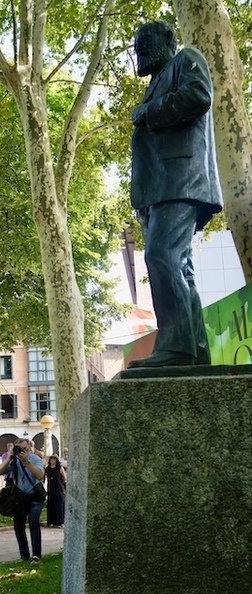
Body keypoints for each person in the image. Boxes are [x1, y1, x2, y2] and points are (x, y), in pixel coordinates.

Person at [128, 20, 223, 369]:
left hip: (181, 180)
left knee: (161, 254)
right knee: (179, 264)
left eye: (144, 41)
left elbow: (199, 96)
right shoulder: (156, 81)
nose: (138, 48)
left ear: (168, 38)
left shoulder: (185, 60)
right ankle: (194, 351)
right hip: (162, 188)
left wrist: (147, 112)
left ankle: (177, 347)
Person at [0, 437, 45, 563]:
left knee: (34, 521)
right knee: (18, 526)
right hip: (20, 497)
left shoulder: (35, 459)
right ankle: (24, 555)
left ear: (29, 448)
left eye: (24, 449)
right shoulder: (14, 461)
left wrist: (26, 461)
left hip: (35, 495)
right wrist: (9, 458)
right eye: (19, 449)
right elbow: (0, 471)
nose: (21, 452)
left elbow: (40, 475)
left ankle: (36, 555)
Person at [44, 454, 66, 527]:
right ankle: (51, 521)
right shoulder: (47, 468)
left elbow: (64, 477)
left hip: (58, 488)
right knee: (51, 504)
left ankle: (60, 521)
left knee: (59, 504)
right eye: (51, 458)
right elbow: (45, 477)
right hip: (51, 488)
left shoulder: (59, 468)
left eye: (54, 459)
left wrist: (63, 486)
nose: (53, 460)